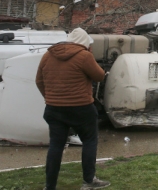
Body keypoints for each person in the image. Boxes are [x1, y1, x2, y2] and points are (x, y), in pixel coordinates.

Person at [36, 28, 110, 190]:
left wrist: (50, 98)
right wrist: (90, 55)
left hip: (54, 108)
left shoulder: (48, 55)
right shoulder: (84, 56)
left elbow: (39, 81)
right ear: (85, 43)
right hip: (81, 108)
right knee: (89, 141)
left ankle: (50, 186)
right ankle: (89, 181)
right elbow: (99, 76)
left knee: (56, 145)